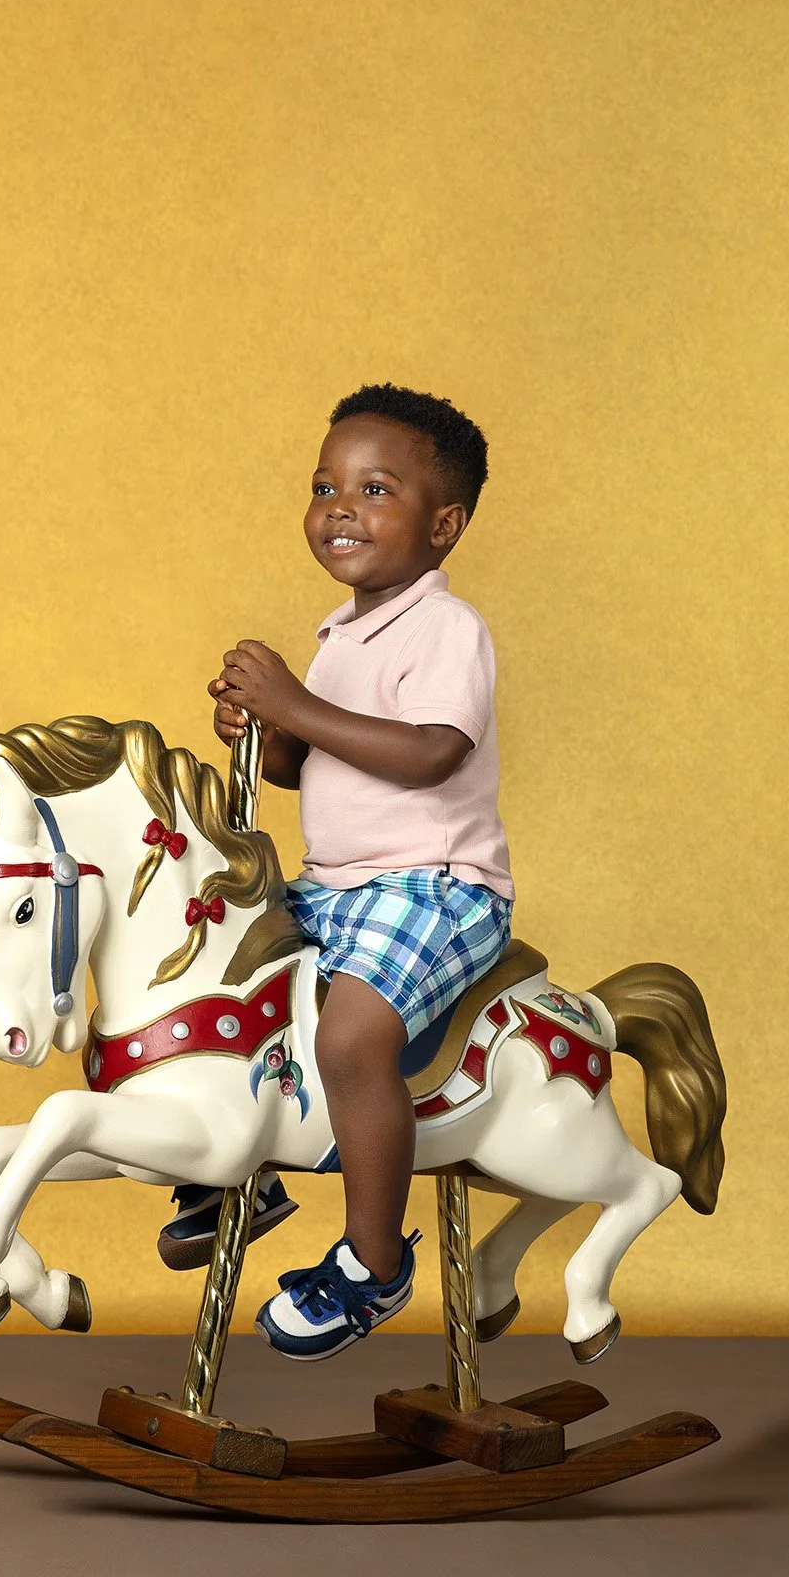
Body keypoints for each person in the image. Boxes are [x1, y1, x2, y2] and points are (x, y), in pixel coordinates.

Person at [167, 383, 515, 1359]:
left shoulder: (448, 631)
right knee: (214, 956)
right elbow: (303, 766)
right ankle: (235, 1160)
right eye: (325, 485)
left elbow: (429, 754)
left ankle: (373, 1263)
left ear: (443, 525)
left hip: (433, 884)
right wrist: (264, 726)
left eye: (374, 488)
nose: (340, 507)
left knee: (355, 1036)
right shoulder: (337, 638)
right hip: (338, 888)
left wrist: (294, 702)